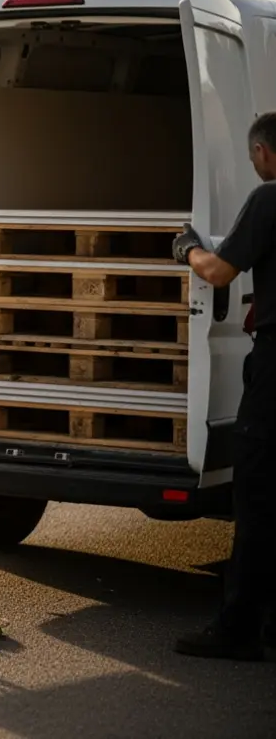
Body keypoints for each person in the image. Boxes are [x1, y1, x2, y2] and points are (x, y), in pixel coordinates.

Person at [171, 111, 276, 662]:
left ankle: (237, 630)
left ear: (262, 153)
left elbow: (217, 272)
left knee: (256, 497)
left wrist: (187, 246)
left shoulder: (268, 200)